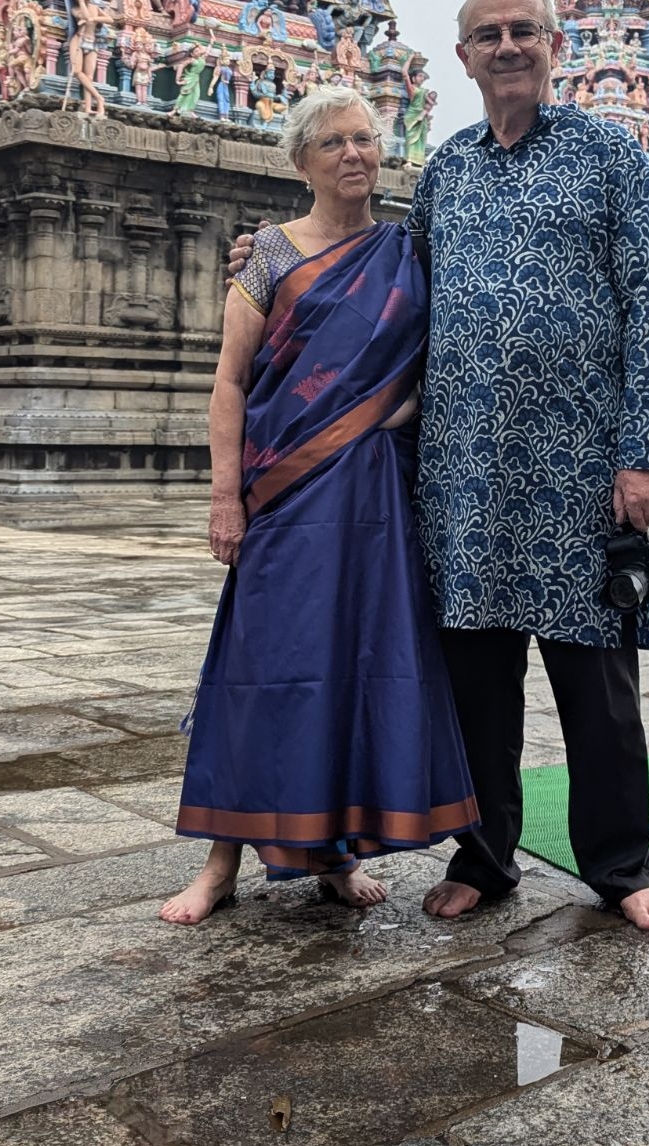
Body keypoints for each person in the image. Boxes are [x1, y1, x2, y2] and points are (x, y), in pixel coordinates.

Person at [229, 0, 649, 931]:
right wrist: (268, 260)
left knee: (597, 684)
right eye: (490, 33)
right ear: (465, 55)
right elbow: (383, 285)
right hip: (464, 477)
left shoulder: (612, 156)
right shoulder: (446, 172)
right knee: (476, 686)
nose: (509, 45)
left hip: (578, 472)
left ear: (554, 48)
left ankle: (619, 861)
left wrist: (648, 454)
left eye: (526, 30)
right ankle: (486, 855)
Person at [161, 88, 477, 926]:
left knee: (356, 666)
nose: (354, 154)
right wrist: (225, 495)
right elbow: (230, 381)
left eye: (366, 139)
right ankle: (221, 860)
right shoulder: (267, 257)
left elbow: (444, 349)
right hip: (284, 493)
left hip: (375, 495)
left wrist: (393, 407)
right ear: (302, 160)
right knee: (261, 666)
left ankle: (336, 858)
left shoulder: (408, 250)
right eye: (334, 141)